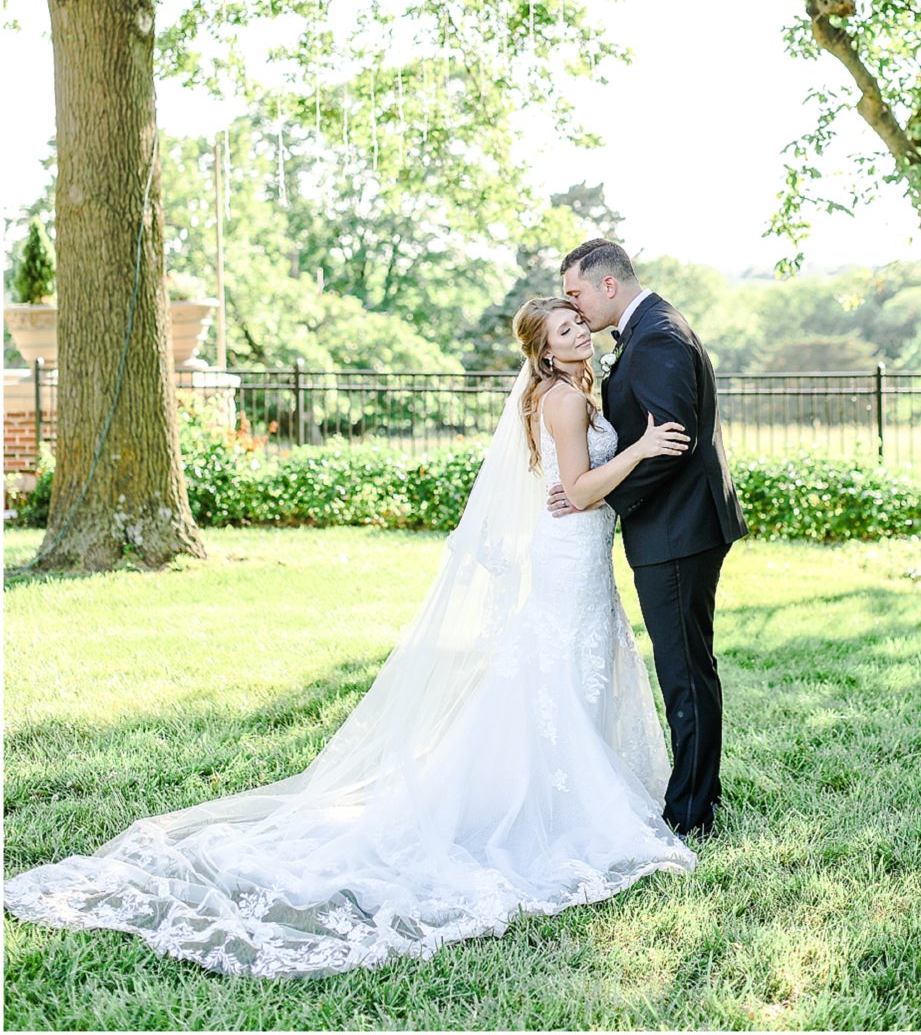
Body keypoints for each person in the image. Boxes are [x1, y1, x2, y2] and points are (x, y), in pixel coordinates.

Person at [4, 298, 697, 980]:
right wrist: (639, 448)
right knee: (556, 672)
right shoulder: (564, 400)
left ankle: (552, 791)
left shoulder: (575, 390)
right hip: (568, 553)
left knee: (564, 672)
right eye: (565, 328)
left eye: (579, 321)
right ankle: (553, 804)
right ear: (544, 352)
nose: (581, 330)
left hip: (576, 556)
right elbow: (574, 491)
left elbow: (570, 488)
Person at [554, 239, 748, 839]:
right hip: (677, 524)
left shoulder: (658, 335)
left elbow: (672, 440)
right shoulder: (649, 329)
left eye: (576, 294)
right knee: (688, 666)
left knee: (685, 671)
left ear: (608, 285)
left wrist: (600, 499)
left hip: (677, 528)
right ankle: (699, 795)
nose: (575, 307)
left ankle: (691, 815)